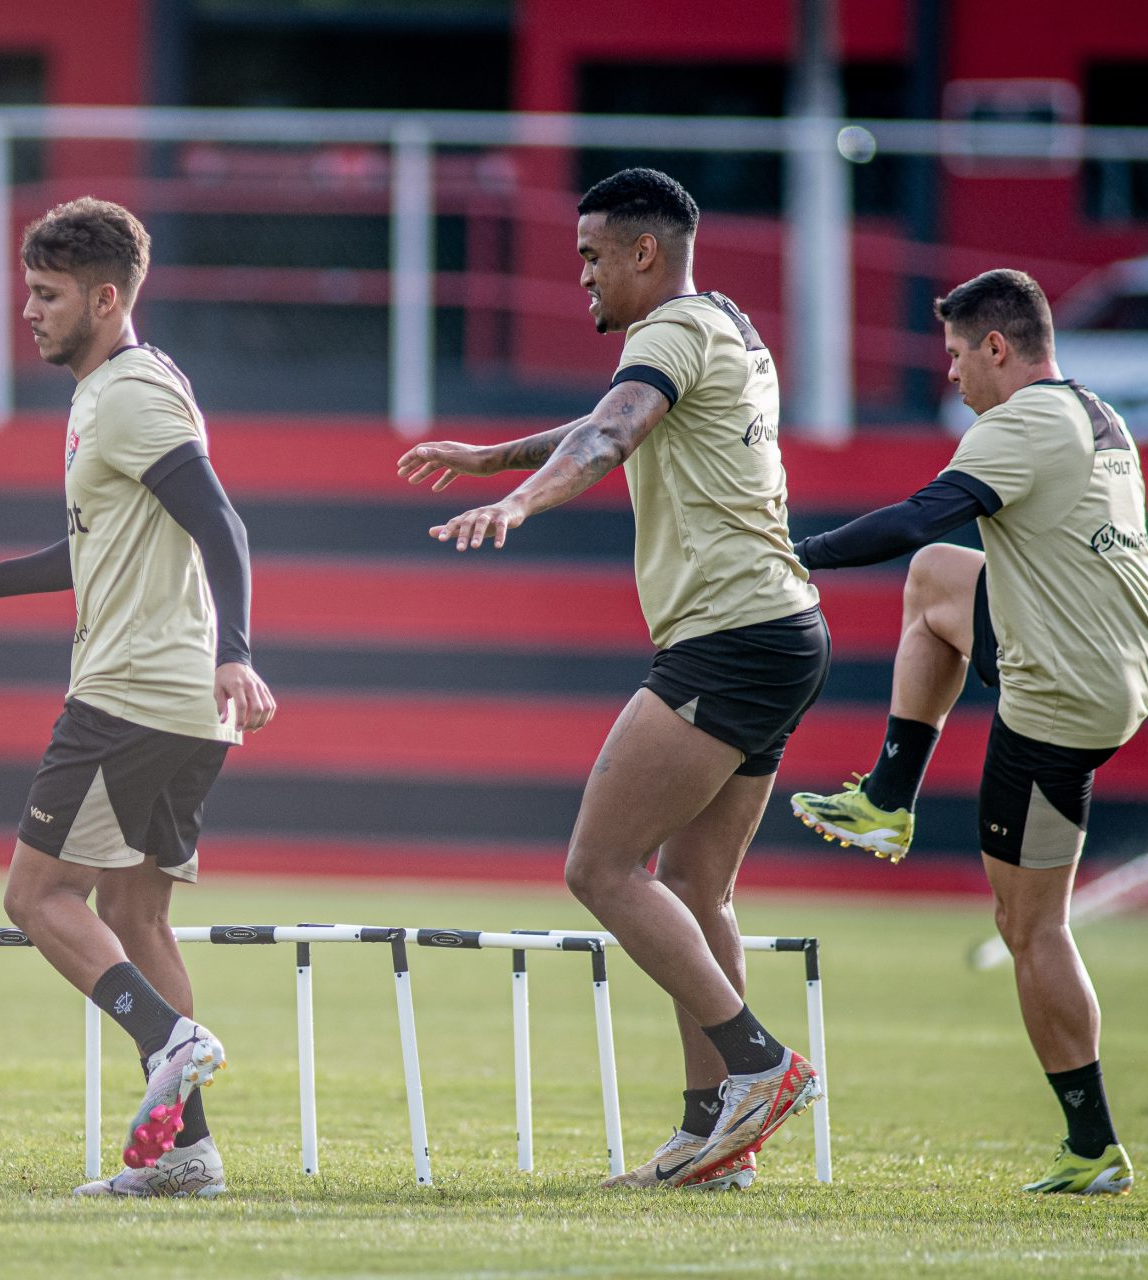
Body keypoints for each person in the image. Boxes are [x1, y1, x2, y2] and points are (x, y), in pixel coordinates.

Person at [400, 168, 824, 1190]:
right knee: (694, 885)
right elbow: (612, 422)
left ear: (646, 252)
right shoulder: (724, 324)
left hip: (728, 636)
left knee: (598, 866)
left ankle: (760, 1063)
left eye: (592, 255)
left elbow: (610, 432)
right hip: (781, 629)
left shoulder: (666, 331)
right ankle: (710, 1134)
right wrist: (495, 458)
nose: (580, 275)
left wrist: (522, 507)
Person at [0, 197, 274, 1198]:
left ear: (107, 298)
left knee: (35, 895)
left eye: (48, 294)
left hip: (136, 692)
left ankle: (169, 1037)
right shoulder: (122, 387)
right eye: (29, 290)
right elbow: (101, 543)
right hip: (182, 703)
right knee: (136, 917)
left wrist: (238, 650)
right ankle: (188, 1152)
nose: (29, 310)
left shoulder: (129, 396)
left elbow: (222, 524)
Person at [789, 269, 1148, 1197]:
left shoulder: (1019, 424)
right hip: (1112, 664)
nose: (950, 374)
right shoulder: (1093, 412)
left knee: (1029, 929)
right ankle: (887, 800)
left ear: (998, 348)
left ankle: (1093, 1145)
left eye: (956, 355)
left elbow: (918, 515)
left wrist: (796, 552)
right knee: (940, 584)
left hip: (1061, 697)